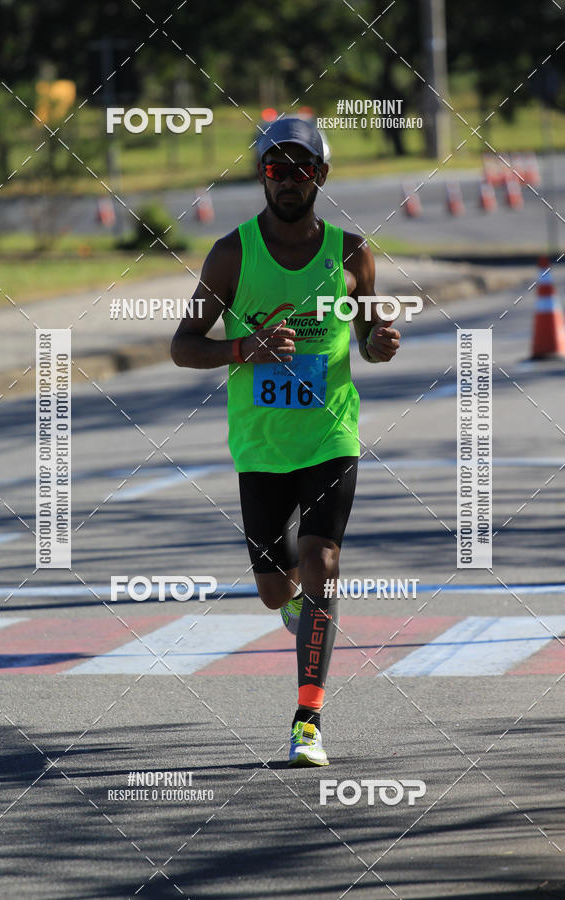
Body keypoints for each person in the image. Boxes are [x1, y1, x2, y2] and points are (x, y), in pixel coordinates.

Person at [171, 117, 401, 766]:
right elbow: (182, 346)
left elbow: (367, 338)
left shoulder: (353, 253)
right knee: (277, 589)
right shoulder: (232, 255)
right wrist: (247, 348)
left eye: (301, 169)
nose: (289, 181)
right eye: (277, 169)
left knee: (321, 563)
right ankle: (291, 610)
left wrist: (379, 345)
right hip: (261, 445)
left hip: (331, 436)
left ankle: (308, 718)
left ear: (321, 176)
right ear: (261, 176)